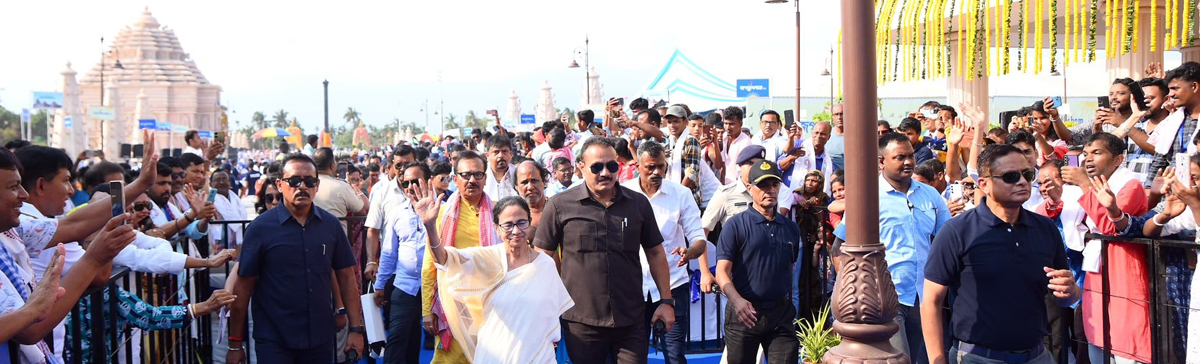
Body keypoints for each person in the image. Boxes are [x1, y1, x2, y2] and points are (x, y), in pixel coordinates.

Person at [922, 144, 1080, 364]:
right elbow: (931, 301)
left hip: (1037, 355)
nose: (1023, 182)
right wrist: (937, 360)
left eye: (1027, 174)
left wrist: (1071, 292)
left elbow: (1065, 296)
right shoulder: (957, 231)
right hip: (977, 357)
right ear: (984, 184)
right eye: (1011, 176)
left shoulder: (1045, 229)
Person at [534, 137, 676, 364]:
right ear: (581, 167)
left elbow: (656, 252)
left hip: (630, 319)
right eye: (597, 167)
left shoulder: (638, 204)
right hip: (581, 322)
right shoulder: (560, 205)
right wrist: (544, 306)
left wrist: (666, 302)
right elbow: (541, 257)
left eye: (611, 166)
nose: (605, 173)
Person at [227, 154, 365, 364]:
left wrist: (355, 328)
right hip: (274, 340)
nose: (302, 186)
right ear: (280, 185)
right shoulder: (260, 229)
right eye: (294, 181)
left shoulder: (330, 226)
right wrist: (235, 344)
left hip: (320, 338)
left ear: (317, 186)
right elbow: (243, 288)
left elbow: (346, 277)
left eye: (309, 181)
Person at [833, 133, 952, 364]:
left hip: (924, 295)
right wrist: (853, 289)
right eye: (899, 157)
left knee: (922, 358)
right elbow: (839, 247)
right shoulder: (867, 196)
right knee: (898, 359)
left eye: (910, 156)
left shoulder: (930, 195)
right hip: (886, 298)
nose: (908, 162)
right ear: (881, 161)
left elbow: (947, 238)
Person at [421, 191, 573, 364]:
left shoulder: (545, 264)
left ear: (530, 224)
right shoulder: (487, 258)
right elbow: (444, 259)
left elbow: (551, 312)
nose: (516, 231)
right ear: (496, 228)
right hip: (495, 354)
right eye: (508, 225)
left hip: (538, 354)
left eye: (521, 223)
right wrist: (430, 227)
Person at [1058, 133, 1150, 364]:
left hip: (1123, 267)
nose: (1088, 159)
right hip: (1095, 267)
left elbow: (1111, 226)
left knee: (1126, 340)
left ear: (1118, 160)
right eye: (1086, 154)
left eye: (1097, 153)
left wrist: (1085, 185)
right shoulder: (1084, 186)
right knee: (1097, 336)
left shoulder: (1131, 184)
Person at [621, 141, 705, 364]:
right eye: (650, 167)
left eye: (661, 166)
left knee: (675, 357)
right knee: (632, 357)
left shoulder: (681, 194)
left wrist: (690, 252)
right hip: (632, 289)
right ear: (638, 165)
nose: (657, 172)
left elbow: (698, 238)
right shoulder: (623, 193)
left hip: (673, 287)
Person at [715, 160, 801, 364]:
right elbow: (722, 272)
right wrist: (737, 302)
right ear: (749, 187)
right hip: (743, 314)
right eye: (763, 185)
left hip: (780, 315)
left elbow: (789, 268)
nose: (770, 190)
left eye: (774, 184)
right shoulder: (735, 225)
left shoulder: (791, 228)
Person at [422, 151, 502, 364]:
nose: (472, 180)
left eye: (478, 174)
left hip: (492, 306)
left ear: (486, 178)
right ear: (454, 179)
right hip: (455, 305)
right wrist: (427, 311)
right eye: (466, 175)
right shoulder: (441, 214)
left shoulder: (500, 213)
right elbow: (431, 265)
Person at [373, 162, 433, 364]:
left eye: (415, 181)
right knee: (398, 337)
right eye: (404, 183)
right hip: (405, 285)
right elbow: (389, 252)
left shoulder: (443, 210)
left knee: (425, 338)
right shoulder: (397, 213)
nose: (409, 187)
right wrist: (380, 284)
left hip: (436, 287)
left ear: (428, 181)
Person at [722, 106, 753, 184]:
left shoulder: (745, 142)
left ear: (741, 124)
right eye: (725, 123)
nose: (728, 127)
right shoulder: (723, 138)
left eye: (732, 124)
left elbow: (744, 169)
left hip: (737, 186)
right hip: (722, 185)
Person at [483, 134, 518, 203]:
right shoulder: (480, 175)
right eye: (496, 152)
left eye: (504, 151)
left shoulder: (518, 174)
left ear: (511, 154)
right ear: (487, 155)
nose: (501, 155)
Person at [827, 103, 846, 170]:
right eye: (836, 114)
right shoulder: (826, 134)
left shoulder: (855, 137)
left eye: (842, 114)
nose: (839, 117)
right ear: (832, 117)